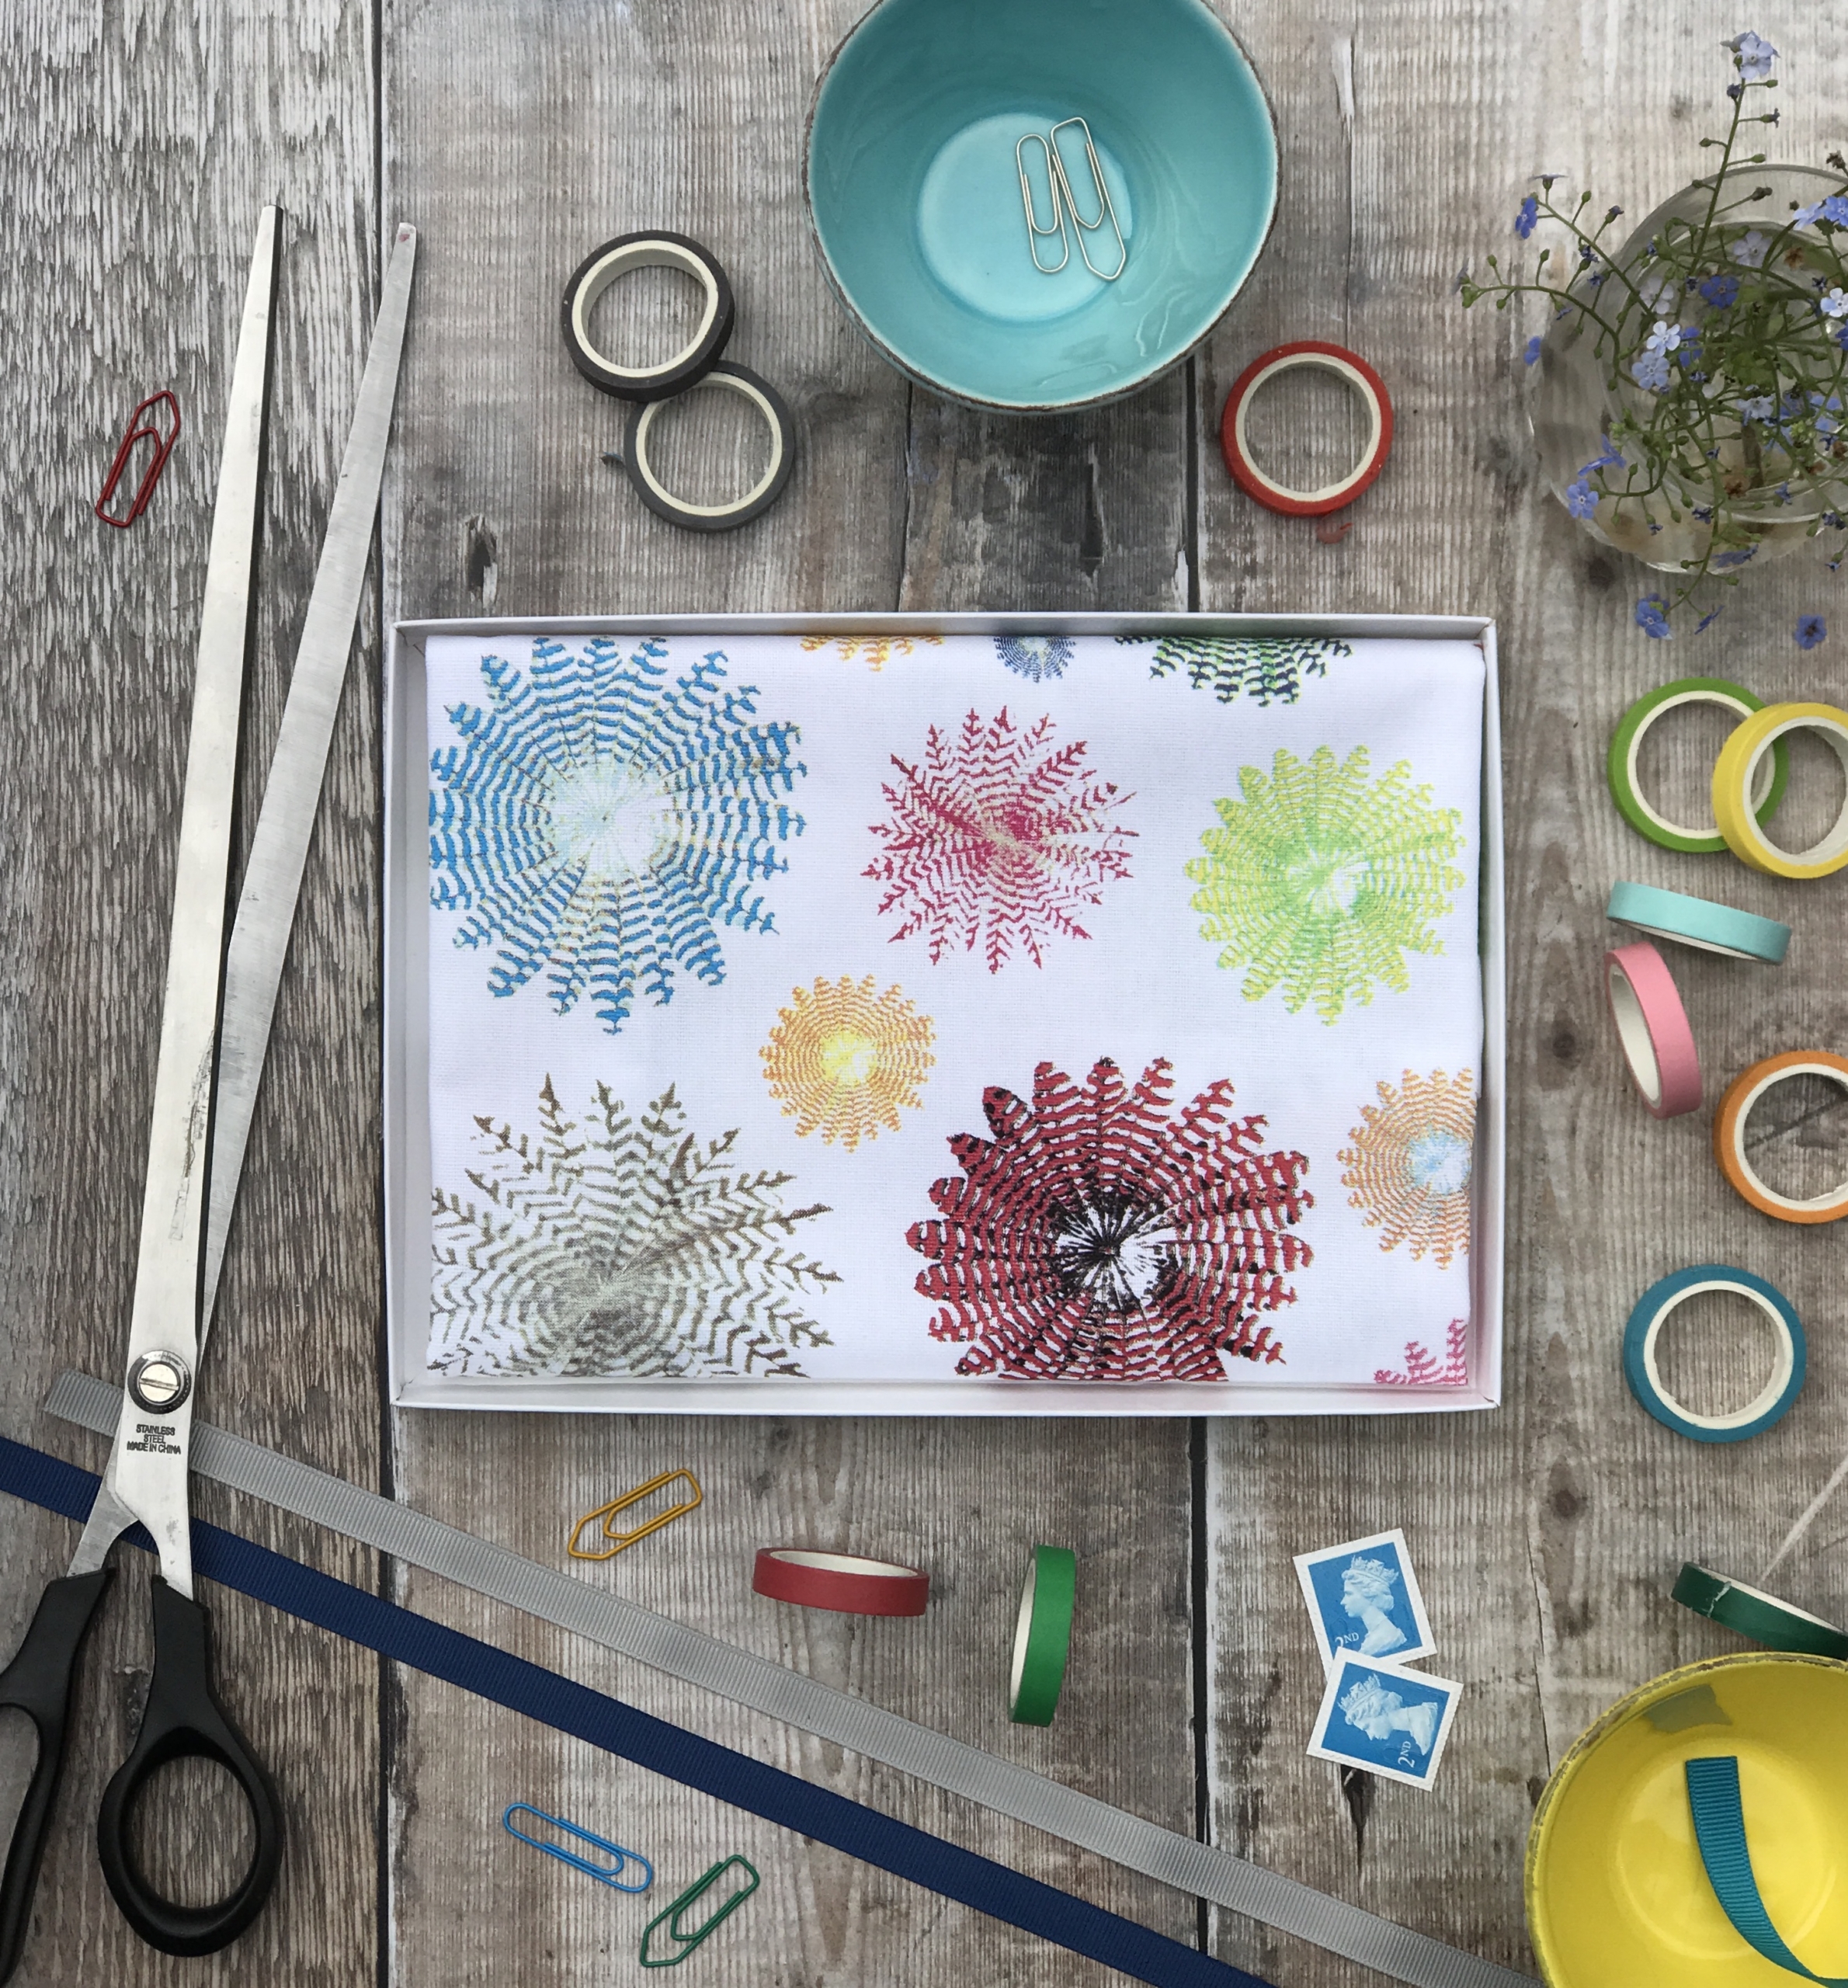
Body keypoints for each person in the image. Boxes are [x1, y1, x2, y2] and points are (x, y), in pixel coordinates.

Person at [1338, 1671, 1438, 1754]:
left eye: (1367, 1727)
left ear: (1379, 1710)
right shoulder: (1418, 1724)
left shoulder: (1424, 1719)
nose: (1371, 1736)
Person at [1339, 1554, 1408, 1656]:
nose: (1343, 1601)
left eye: (1349, 1594)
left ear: (1370, 1595)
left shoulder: (1385, 1638)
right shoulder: (1376, 1636)